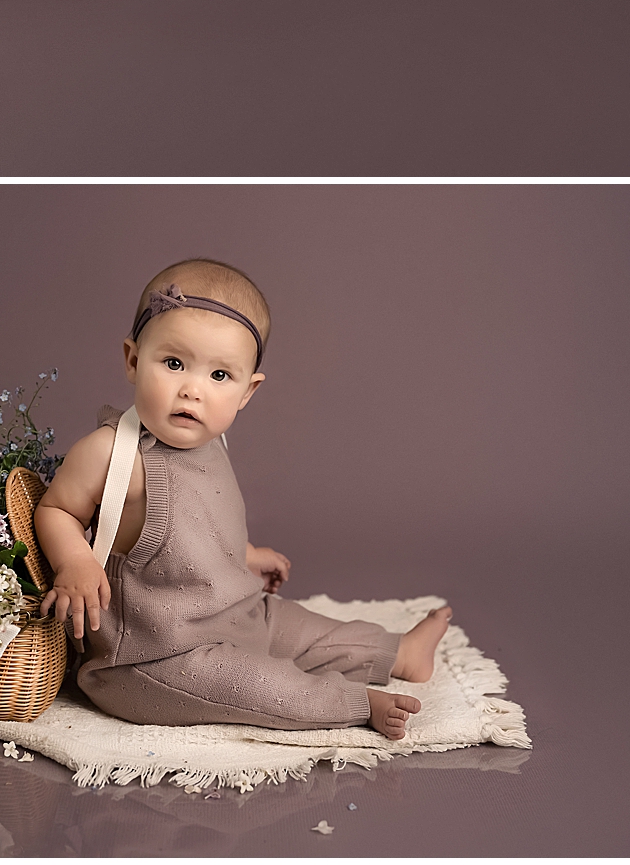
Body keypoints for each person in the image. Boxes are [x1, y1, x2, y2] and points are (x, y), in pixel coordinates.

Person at [33, 258, 452, 741]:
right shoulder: (109, 452)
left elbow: (200, 531)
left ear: (247, 391)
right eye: (173, 364)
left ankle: (398, 653)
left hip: (235, 616)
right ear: (132, 360)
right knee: (259, 686)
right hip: (153, 657)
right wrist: (75, 562)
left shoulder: (210, 444)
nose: (192, 390)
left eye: (219, 376)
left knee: (301, 629)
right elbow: (56, 508)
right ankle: (356, 705)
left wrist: (247, 556)